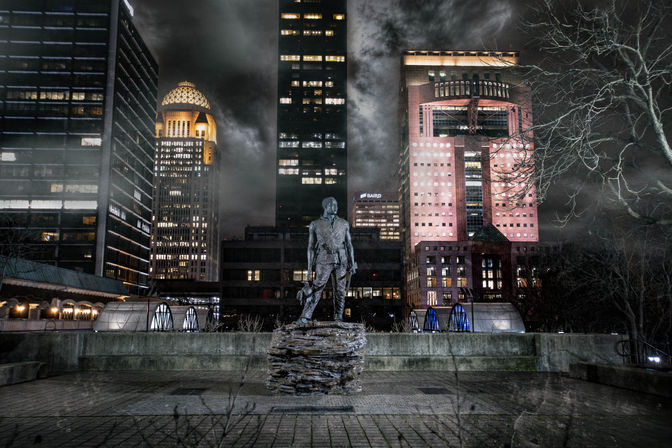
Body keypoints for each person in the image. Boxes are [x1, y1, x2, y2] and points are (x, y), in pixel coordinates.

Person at [296, 197, 356, 323]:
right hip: (323, 259)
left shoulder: (344, 223)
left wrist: (352, 262)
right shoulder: (315, 224)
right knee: (317, 288)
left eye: (336, 205)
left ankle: (338, 317)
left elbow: (349, 244)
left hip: (341, 260)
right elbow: (311, 247)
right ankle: (305, 316)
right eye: (333, 205)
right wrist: (309, 268)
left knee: (340, 291)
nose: (335, 207)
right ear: (326, 206)